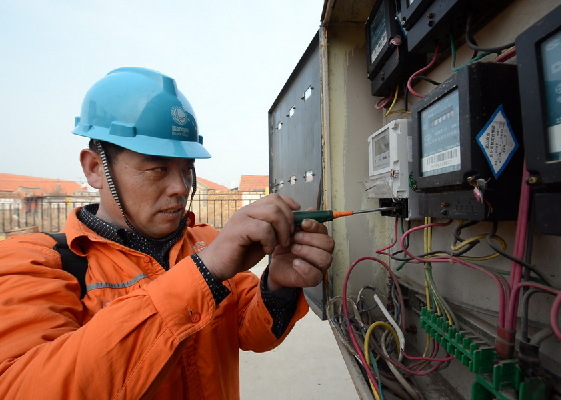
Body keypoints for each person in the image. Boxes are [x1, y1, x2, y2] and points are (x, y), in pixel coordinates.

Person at [0, 67, 335, 399]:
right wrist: (203, 273)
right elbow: (27, 389)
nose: (179, 187)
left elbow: (252, 332)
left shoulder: (205, 241)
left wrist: (277, 286)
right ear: (95, 168)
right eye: (157, 169)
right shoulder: (36, 262)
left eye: (187, 170)